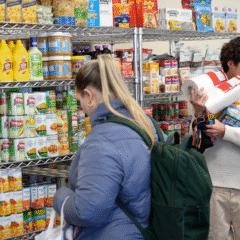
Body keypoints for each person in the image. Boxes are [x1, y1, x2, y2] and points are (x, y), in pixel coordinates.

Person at [52, 54, 161, 239]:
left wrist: (61, 197)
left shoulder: (102, 140)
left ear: (89, 96)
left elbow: (88, 211)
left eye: (80, 101)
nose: (83, 109)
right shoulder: (145, 122)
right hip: (142, 230)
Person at [190, 37, 240, 240]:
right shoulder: (211, 92)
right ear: (231, 63)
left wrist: (226, 132)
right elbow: (197, 141)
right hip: (214, 185)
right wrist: (199, 115)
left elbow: (221, 131)